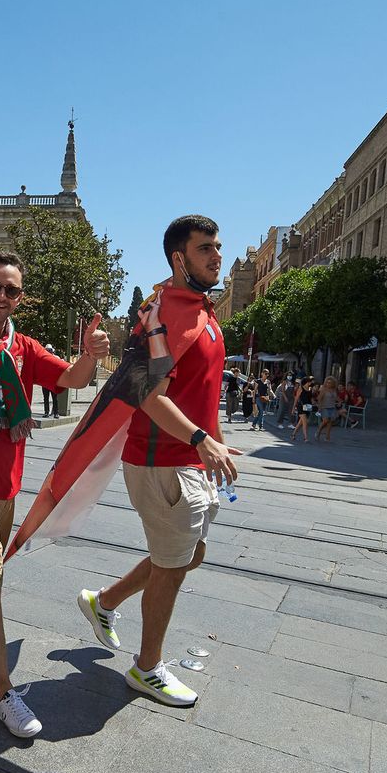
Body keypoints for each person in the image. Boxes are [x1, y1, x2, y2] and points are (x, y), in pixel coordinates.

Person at [0, 251, 110, 739]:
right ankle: (3, 693)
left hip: (6, 486)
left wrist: (90, 354)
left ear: (20, 297)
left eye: (11, 290)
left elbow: (72, 378)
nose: (1, 296)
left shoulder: (22, 347)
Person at [77, 214, 240, 709]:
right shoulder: (164, 313)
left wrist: (214, 442)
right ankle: (147, 669)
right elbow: (147, 394)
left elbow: (200, 390)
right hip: (163, 459)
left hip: (190, 458)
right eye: (205, 248)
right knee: (172, 567)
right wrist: (200, 439)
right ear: (178, 258)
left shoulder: (201, 310)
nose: (217, 255)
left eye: (218, 246)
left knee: (189, 554)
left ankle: (104, 602)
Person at [316, 375, 340, 442]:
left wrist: (339, 401)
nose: (328, 384)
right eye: (327, 382)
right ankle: (318, 431)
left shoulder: (334, 390)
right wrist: (319, 407)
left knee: (330, 422)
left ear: (333, 383)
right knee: (325, 421)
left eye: (330, 382)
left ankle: (327, 436)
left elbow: (336, 397)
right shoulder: (323, 390)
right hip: (324, 407)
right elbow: (319, 398)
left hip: (332, 407)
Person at [40, 344, 59, 417]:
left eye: (49, 350)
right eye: (47, 350)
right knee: (46, 398)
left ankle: (56, 412)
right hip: (45, 381)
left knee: (55, 398)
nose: (48, 352)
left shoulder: (56, 358)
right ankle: (46, 412)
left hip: (53, 381)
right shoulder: (43, 359)